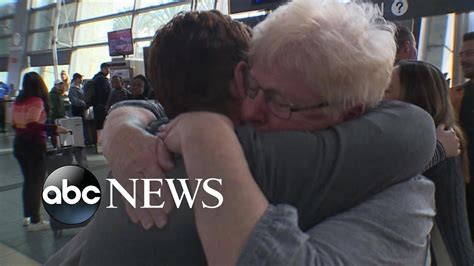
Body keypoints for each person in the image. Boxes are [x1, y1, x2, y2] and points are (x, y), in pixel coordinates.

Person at [48, 6, 441, 265]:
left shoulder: (400, 198)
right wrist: (124, 124)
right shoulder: (196, 132)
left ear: (350, 112)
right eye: (252, 85)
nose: (249, 109)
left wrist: (205, 134)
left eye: (277, 101)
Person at [385, 60, 474, 265]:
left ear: (414, 98)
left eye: (387, 89)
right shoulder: (437, 137)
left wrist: (438, 151)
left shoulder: (439, 141)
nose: (378, 95)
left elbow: (387, 179)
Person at [12, 72, 68, 231]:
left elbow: (15, 125)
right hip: (34, 146)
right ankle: (36, 221)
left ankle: (27, 217)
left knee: (28, 182)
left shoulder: (18, 101)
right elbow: (33, 125)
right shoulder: (36, 101)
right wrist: (55, 128)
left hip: (19, 145)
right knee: (35, 183)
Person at [450, 31, 474, 240]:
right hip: (465, 182)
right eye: (462, 54)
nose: (464, 59)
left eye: (470, 53)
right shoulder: (456, 94)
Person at [92, 62, 111, 145]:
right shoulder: (102, 79)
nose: (108, 71)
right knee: (102, 125)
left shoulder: (95, 78)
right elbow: (105, 93)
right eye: (107, 68)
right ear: (103, 68)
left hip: (96, 106)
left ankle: (99, 144)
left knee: (98, 126)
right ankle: (103, 144)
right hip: (102, 106)